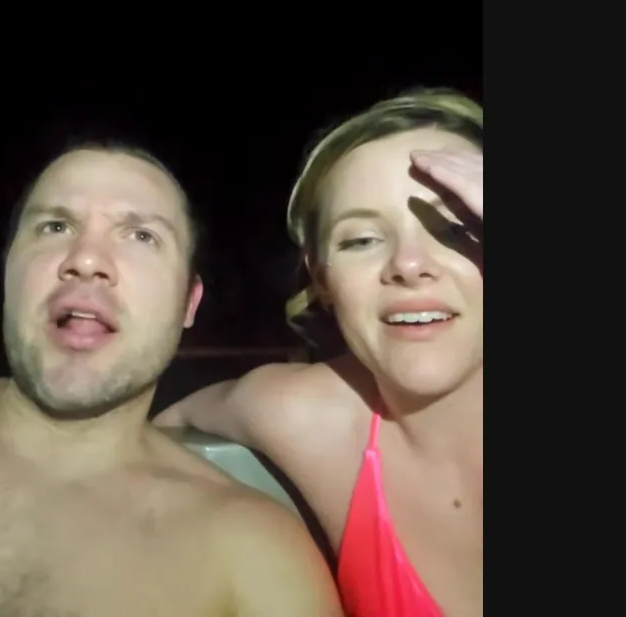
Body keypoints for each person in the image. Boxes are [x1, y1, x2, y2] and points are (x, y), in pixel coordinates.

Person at [0, 141, 342, 617]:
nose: (86, 259)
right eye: (55, 226)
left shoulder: (252, 559)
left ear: (188, 304)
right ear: (9, 269)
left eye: (141, 236)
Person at [154, 88, 484, 617]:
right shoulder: (311, 418)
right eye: (361, 240)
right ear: (322, 278)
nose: (408, 264)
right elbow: (133, 439)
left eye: (457, 228)